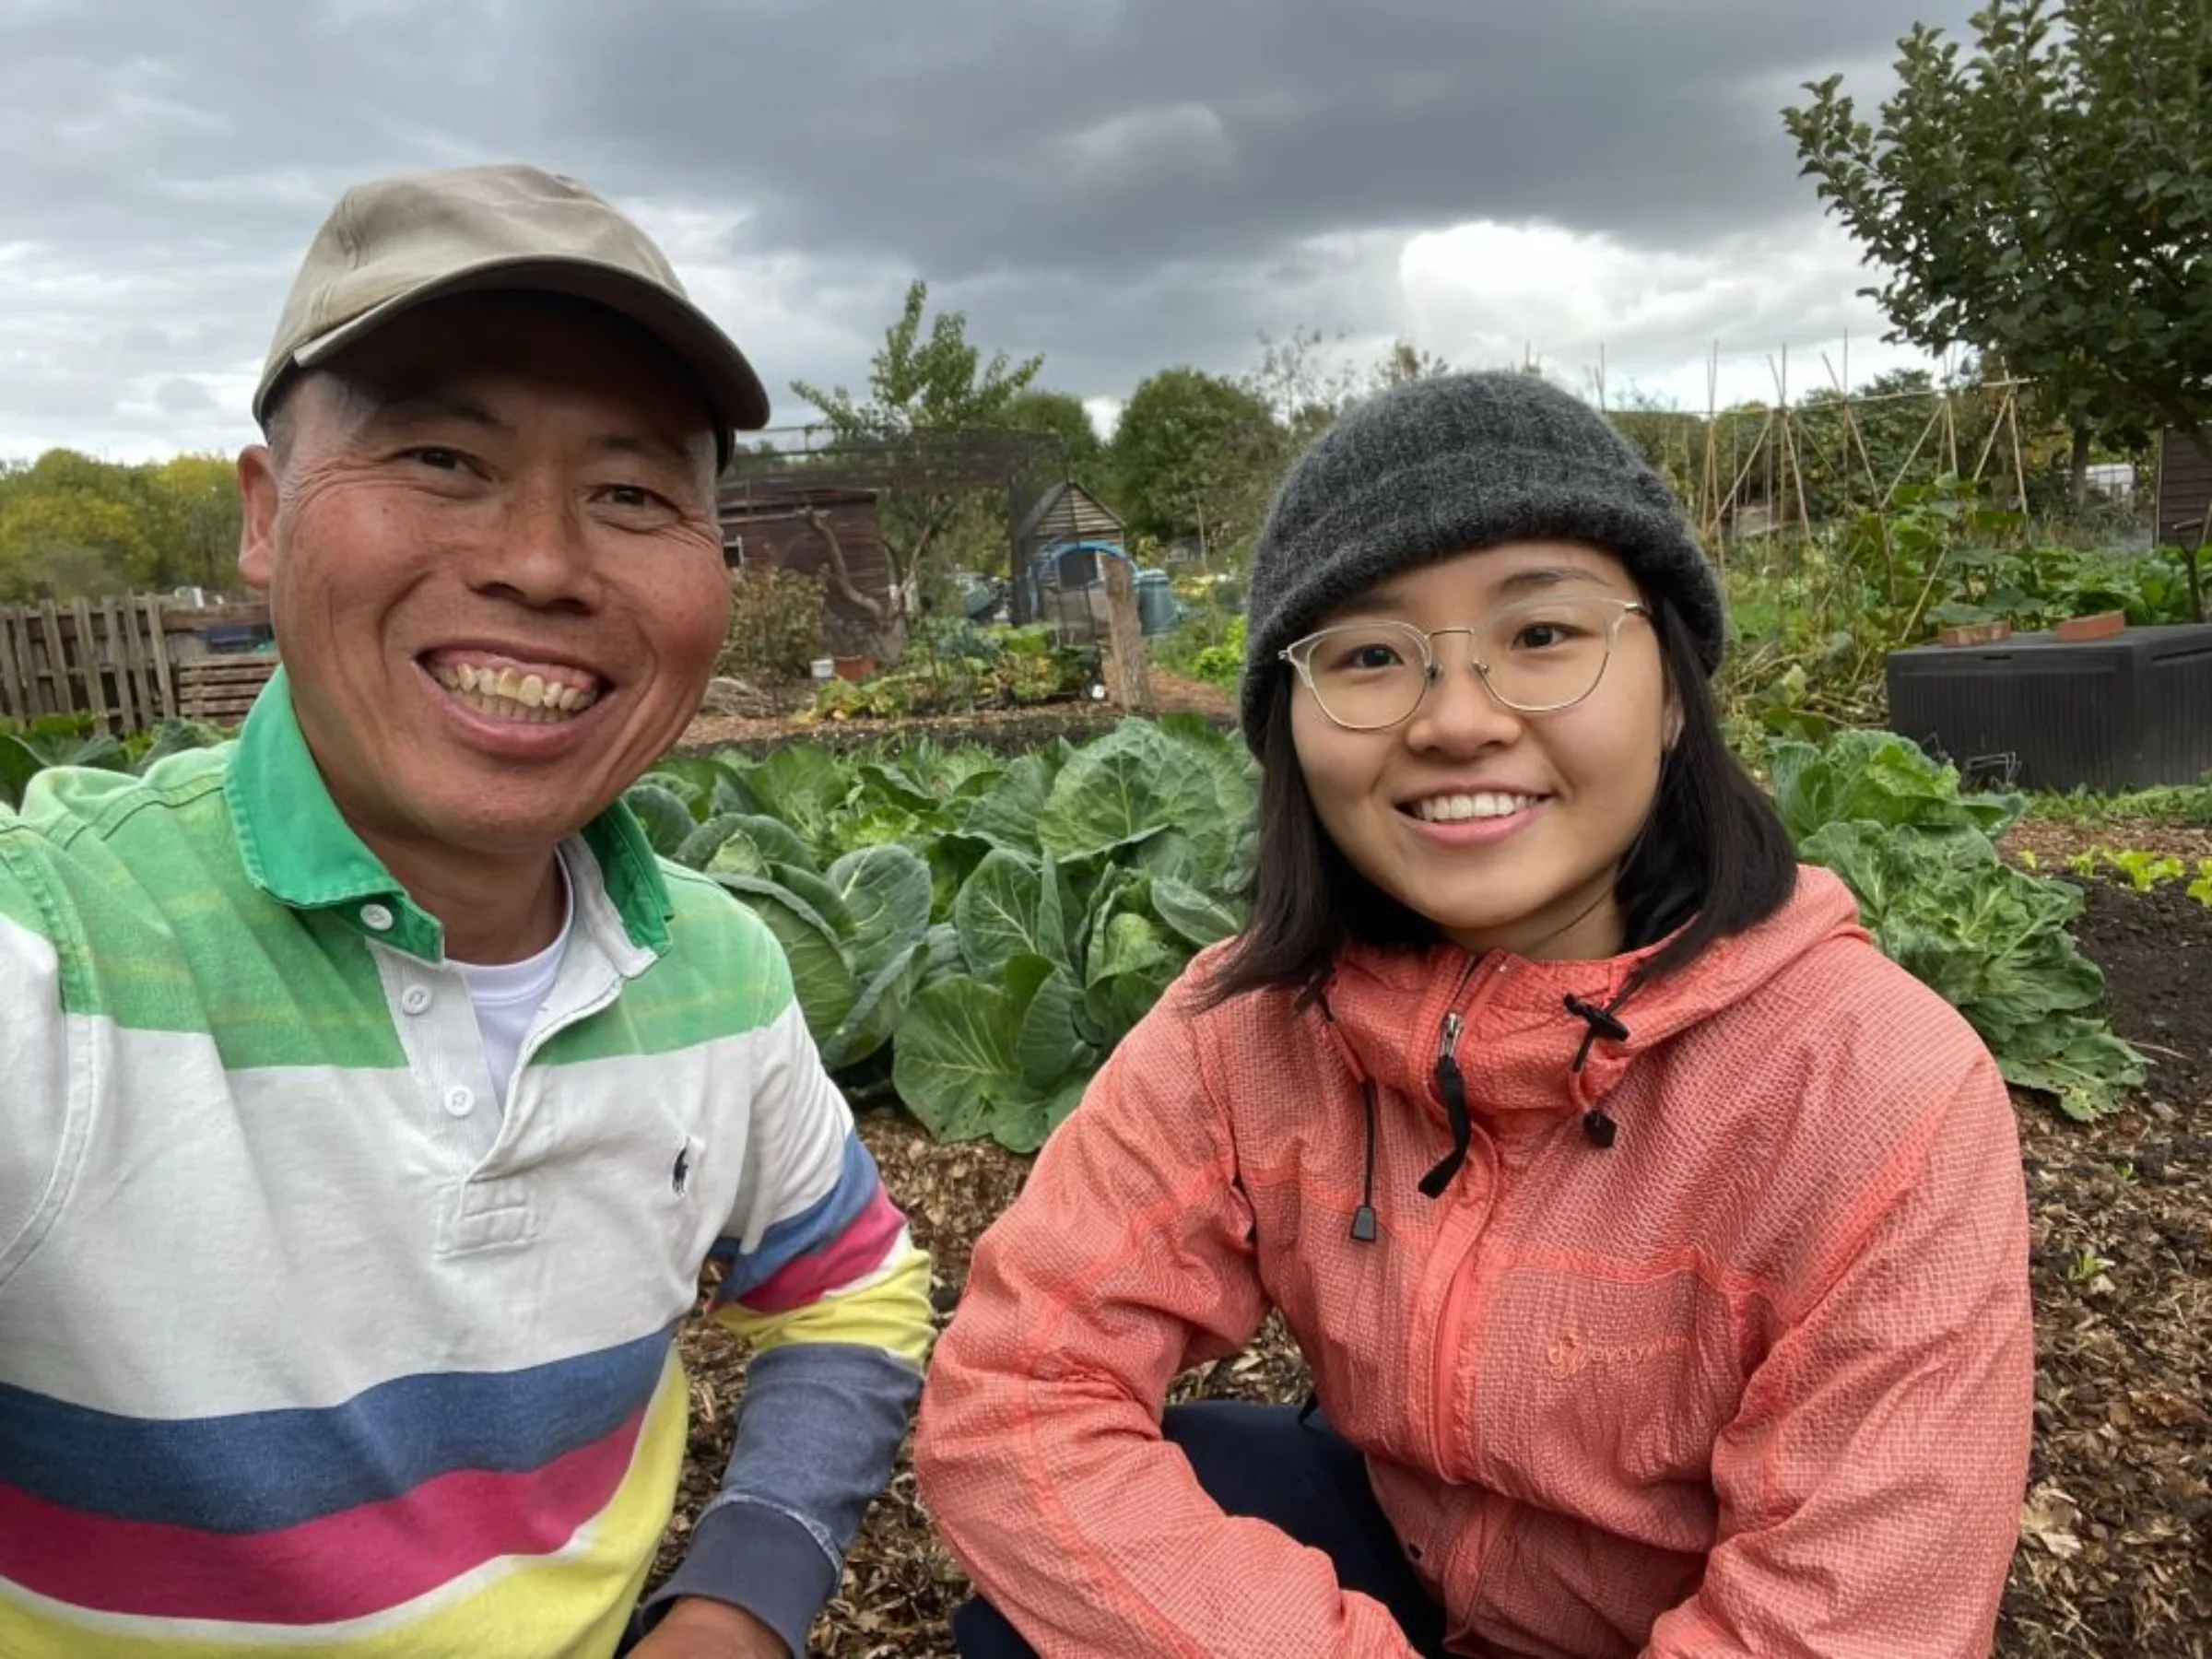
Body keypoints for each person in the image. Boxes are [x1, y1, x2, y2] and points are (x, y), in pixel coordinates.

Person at [913, 371, 2034, 1658]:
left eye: (1542, 635)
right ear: (1291, 730)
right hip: (1406, 1569)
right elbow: (1016, 1392)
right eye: (1372, 656)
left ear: (1672, 692)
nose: (1457, 719)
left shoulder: (1877, 1090)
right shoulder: (1250, 1030)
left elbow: (1852, 1625)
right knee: (1065, 1591)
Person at [0, 163, 933, 1659]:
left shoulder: (719, 970)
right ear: (265, 515)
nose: (542, 564)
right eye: (441, 458)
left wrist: (742, 1606)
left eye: (631, 495)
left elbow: (857, 1296)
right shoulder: (63, 950)